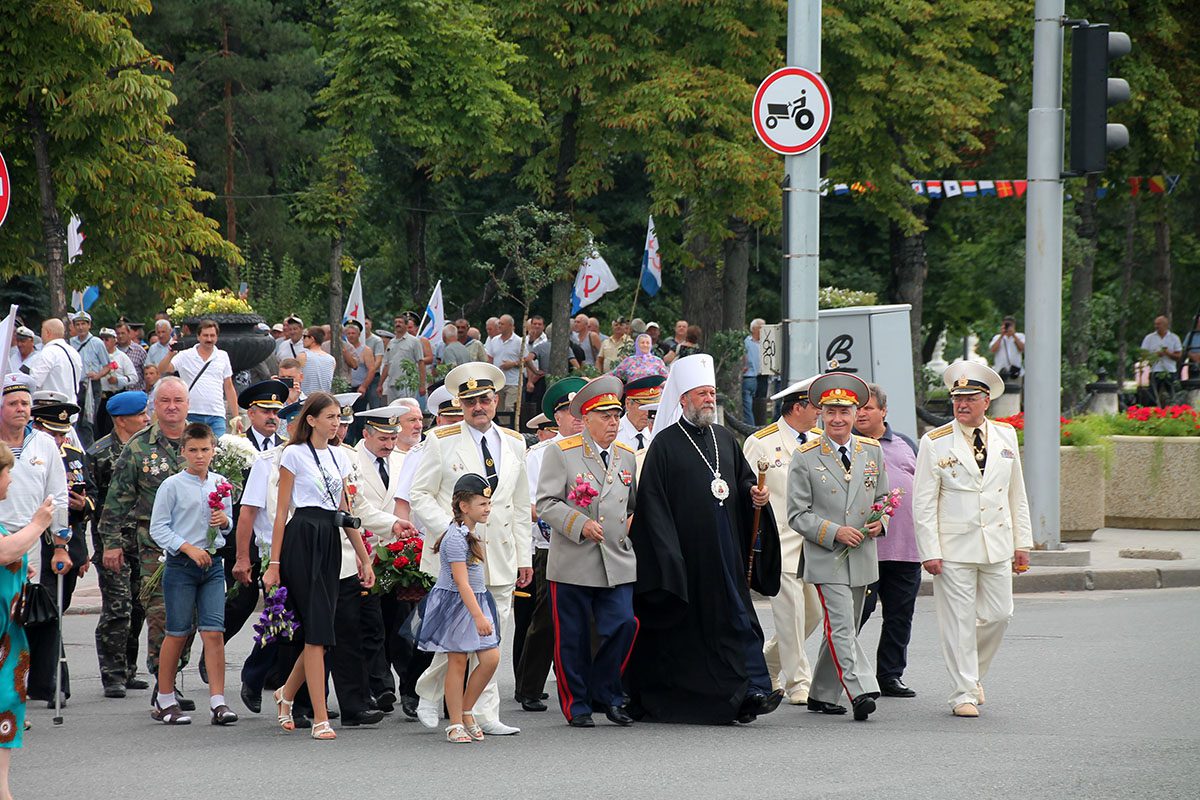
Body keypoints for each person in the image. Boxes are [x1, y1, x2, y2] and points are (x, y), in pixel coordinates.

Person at [626, 354, 783, 724]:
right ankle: (723, 697)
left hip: (726, 549)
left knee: (738, 618)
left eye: (712, 393)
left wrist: (753, 494)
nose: (710, 399)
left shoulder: (724, 438)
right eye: (702, 394)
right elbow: (653, 506)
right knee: (698, 630)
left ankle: (753, 689)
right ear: (684, 399)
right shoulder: (664, 445)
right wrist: (669, 556)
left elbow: (742, 480)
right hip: (688, 556)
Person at [409, 363, 530, 735]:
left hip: (502, 552)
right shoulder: (441, 440)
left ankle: (484, 712)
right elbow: (419, 494)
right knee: (455, 637)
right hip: (459, 556)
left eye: (485, 399)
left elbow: (520, 504)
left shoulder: (515, 441)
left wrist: (525, 556)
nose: (478, 407)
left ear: (496, 401)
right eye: (470, 401)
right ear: (460, 405)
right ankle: (431, 692)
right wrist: (454, 532)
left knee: (491, 637)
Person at [914, 362, 1032, 718]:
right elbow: (923, 503)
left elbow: (1016, 493)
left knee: (1000, 615)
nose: (962, 405)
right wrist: (929, 550)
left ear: (986, 401)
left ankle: (972, 673)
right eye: (957, 399)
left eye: (969, 399)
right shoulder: (934, 442)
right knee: (958, 623)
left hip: (997, 542)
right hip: (953, 548)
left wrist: (1022, 543)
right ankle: (963, 692)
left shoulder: (1005, 436)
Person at [263, 392, 374, 741]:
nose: (336, 422)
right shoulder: (293, 454)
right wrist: (274, 563)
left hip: (330, 539)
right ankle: (320, 718)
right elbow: (282, 513)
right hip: (302, 538)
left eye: (338, 417)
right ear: (311, 420)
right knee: (316, 631)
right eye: (330, 416)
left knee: (322, 633)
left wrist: (364, 557)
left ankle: (285, 693)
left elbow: (345, 511)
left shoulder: (341, 456)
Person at [786, 372, 890, 722]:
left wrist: (881, 522)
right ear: (821, 414)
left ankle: (821, 693)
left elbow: (883, 497)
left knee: (844, 626)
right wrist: (835, 532)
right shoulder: (805, 456)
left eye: (844, 412)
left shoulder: (871, 451)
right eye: (830, 412)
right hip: (826, 555)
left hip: (861, 554)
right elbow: (797, 514)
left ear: (855, 413)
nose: (837, 419)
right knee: (841, 623)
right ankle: (860, 690)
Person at [536, 376, 639, 727]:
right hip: (574, 560)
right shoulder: (562, 452)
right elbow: (546, 503)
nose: (613, 423)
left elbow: (632, 504)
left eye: (616, 416)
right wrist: (579, 524)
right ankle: (577, 704)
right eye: (605, 417)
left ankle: (607, 692)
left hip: (616, 559)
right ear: (587, 419)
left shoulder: (627, 456)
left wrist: (627, 525)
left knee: (624, 623)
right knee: (573, 637)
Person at [95, 376, 198, 710]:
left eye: (178, 401)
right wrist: (111, 543)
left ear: (188, 405)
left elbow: (225, 487)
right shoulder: (138, 447)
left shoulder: (202, 441)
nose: (172, 407)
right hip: (156, 547)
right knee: (162, 615)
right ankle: (163, 685)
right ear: (154, 406)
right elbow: (116, 500)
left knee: (191, 617)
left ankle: (172, 675)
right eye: (164, 401)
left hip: (197, 544)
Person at [147, 423, 236, 725]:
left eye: (205, 450)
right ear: (183, 451)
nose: (200, 456)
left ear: (213, 451)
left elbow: (228, 525)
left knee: (214, 631)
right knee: (178, 632)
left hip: (212, 565)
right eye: (194, 450)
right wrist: (187, 548)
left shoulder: (221, 483)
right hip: (182, 566)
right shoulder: (172, 485)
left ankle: (218, 701)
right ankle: (165, 698)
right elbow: (159, 528)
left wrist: (224, 521)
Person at [742, 376, 823, 706]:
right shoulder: (761, 442)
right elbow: (745, 488)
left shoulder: (819, 441)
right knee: (791, 615)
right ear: (797, 407)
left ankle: (768, 663)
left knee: (813, 614)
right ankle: (798, 681)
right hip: (780, 543)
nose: (820, 413)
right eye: (815, 406)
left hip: (814, 542)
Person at [514, 377, 586, 712]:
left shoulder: (595, 449)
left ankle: (587, 685)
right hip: (551, 544)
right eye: (570, 412)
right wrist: (563, 519)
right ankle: (529, 686)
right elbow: (529, 503)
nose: (578, 418)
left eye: (582, 411)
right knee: (546, 619)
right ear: (556, 418)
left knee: (591, 619)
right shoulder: (540, 454)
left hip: (591, 542)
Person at [416, 473, 502, 744]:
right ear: (464, 506)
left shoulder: (470, 531)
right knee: (458, 661)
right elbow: (461, 582)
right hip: (457, 604)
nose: (487, 509)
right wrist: (478, 616)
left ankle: (466, 711)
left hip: (475, 600)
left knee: (491, 658)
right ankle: (455, 723)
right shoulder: (455, 537)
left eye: (489, 503)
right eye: (482, 504)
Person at [231, 400, 302, 713]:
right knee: (279, 621)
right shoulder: (268, 462)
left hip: (310, 551)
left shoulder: (321, 457)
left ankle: (300, 694)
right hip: (274, 554)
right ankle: (254, 675)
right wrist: (242, 558)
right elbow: (247, 513)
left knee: (304, 624)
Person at [854, 383, 921, 699]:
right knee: (856, 615)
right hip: (863, 548)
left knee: (899, 616)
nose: (861, 413)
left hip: (906, 549)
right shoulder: (845, 444)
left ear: (883, 411)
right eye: (857, 408)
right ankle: (841, 672)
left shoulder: (906, 445)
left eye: (868, 407)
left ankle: (890, 675)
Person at [28, 400, 94, 706]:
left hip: (68, 545)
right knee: (47, 613)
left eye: (62, 434)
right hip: (36, 544)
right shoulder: (28, 456)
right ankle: (55, 684)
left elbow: (92, 495)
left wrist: (84, 504)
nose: (59, 439)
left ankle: (42, 679)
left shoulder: (74, 455)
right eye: (53, 433)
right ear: (38, 427)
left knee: (54, 610)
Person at [87, 390, 151, 697]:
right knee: (118, 607)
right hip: (113, 542)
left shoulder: (147, 449)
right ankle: (112, 674)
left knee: (138, 606)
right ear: (121, 420)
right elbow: (91, 499)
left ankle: (128, 669)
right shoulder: (98, 453)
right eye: (140, 415)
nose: (146, 419)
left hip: (144, 540)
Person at [0, 462, 55, 792]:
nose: (11, 479)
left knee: (5, 704)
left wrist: (20, 569)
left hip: (6, 635)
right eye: (7, 472)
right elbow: (4, 550)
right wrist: (38, 524)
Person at [159, 319, 239, 437]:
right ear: (198, 336)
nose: (209, 339)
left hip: (216, 414)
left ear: (217, 337)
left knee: (219, 447)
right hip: (191, 413)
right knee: (190, 447)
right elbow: (162, 369)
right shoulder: (185, 355)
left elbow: (228, 387)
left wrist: (236, 416)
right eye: (205, 335)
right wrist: (170, 354)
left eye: (212, 335)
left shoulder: (223, 356)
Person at [24, 318, 83, 412]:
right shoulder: (74, 352)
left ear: (47, 332)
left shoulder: (48, 352)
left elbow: (34, 382)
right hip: (71, 408)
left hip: (50, 410)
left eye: (42, 331)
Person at [70, 311, 110, 445]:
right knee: (75, 418)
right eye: (78, 324)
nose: (80, 327)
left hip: (91, 385)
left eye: (83, 324)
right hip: (76, 385)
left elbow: (107, 366)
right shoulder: (71, 343)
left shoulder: (97, 343)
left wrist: (97, 375)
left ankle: (89, 449)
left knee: (87, 421)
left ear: (89, 325)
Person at [94, 327, 138, 439]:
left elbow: (134, 378)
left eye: (107, 339)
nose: (104, 342)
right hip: (99, 396)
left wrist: (118, 380)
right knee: (98, 427)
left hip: (115, 395)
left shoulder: (122, 357)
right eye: (101, 339)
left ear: (114, 340)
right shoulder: (95, 357)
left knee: (113, 426)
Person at [380, 316, 426, 403]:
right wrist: (380, 384)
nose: (397, 324)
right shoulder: (391, 343)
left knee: (406, 408)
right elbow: (387, 365)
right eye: (396, 322)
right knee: (393, 409)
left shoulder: (414, 341)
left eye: (400, 322)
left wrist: (422, 385)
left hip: (407, 384)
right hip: (391, 384)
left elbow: (421, 363)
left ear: (406, 325)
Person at [1141, 315, 1183, 406]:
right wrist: (1155, 355)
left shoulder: (1174, 338)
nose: (1156, 326)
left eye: (1158, 324)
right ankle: (1152, 411)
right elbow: (1143, 355)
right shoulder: (1149, 338)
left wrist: (1167, 353)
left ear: (1165, 325)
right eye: (1155, 324)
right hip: (1154, 370)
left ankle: (1174, 410)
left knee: (1172, 395)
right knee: (1152, 396)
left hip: (1170, 370)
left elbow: (1179, 356)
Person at [484, 315, 522, 415]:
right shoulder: (494, 340)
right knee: (498, 409)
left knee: (510, 407)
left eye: (502, 324)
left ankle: (511, 425)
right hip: (498, 381)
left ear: (510, 326)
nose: (499, 326)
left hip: (513, 382)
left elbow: (526, 360)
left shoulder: (519, 341)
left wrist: (513, 364)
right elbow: (490, 358)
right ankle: (503, 425)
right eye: (499, 323)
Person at [616, 375, 663, 452]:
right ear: (628, 403)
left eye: (652, 407)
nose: (648, 413)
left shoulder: (657, 434)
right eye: (643, 406)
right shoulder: (613, 434)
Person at [298, 326, 338, 395]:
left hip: (307, 397)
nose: (302, 339)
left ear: (312, 339)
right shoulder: (331, 359)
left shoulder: (303, 356)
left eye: (304, 336)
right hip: (325, 398)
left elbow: (296, 379)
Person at [988, 316, 1025, 381]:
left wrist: (1013, 335)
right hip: (1000, 373)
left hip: (1016, 372)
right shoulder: (997, 337)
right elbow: (993, 350)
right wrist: (1002, 335)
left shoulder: (1020, 336)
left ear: (1014, 326)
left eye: (1010, 325)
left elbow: (1022, 348)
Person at [742, 319, 764, 425]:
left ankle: (760, 426)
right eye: (761, 327)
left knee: (760, 404)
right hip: (749, 376)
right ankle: (750, 427)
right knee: (748, 406)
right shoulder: (746, 342)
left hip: (762, 377)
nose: (763, 330)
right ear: (754, 329)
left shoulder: (765, 343)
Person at [114, 322, 147, 390]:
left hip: (136, 391)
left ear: (129, 333)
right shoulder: (112, 351)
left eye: (123, 333)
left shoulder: (139, 351)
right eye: (118, 334)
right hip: (117, 392)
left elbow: (146, 372)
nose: (120, 336)